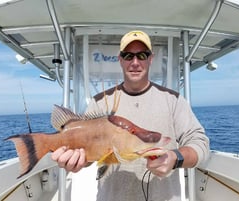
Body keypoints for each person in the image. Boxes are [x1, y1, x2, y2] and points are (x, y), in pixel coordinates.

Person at [51, 30, 210, 201]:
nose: (135, 62)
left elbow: (200, 142)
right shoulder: (99, 102)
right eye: (128, 56)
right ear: (120, 60)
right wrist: (77, 162)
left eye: (142, 55)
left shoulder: (174, 100)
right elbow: (90, 155)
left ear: (151, 58)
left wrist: (175, 157)